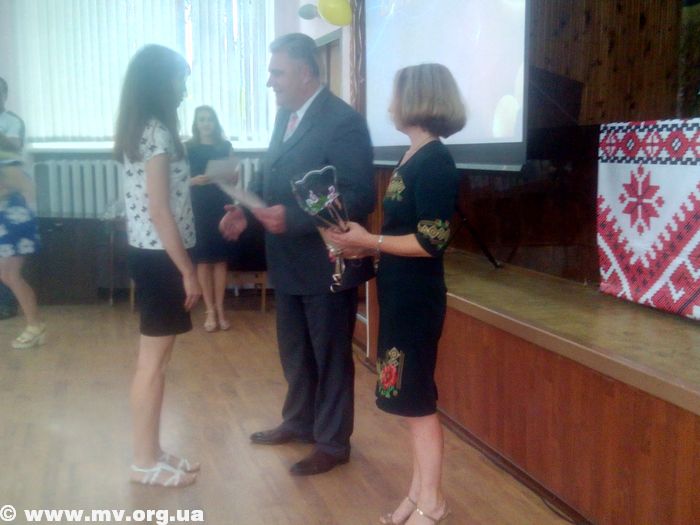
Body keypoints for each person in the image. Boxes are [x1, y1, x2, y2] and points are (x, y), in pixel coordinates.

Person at [220, 33, 375, 476]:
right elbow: (274, 178)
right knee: (294, 350)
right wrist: (246, 211)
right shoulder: (285, 115)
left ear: (305, 73)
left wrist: (294, 218)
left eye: (277, 72)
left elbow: (359, 195)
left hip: (325, 262)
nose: (270, 81)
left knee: (329, 355)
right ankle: (300, 421)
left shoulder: (343, 122)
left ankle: (332, 442)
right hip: (286, 260)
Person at [327, 63, 466, 525]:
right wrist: (361, 244)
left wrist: (369, 240)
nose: (388, 104)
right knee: (406, 402)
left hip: (417, 299)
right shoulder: (413, 155)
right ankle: (417, 493)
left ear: (417, 99)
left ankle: (433, 502)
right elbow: (403, 232)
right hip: (400, 293)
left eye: (395, 94)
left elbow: (431, 241)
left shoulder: (436, 161)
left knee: (417, 402)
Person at [114, 44, 202, 488]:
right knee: (152, 364)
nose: (183, 88)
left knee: (158, 363)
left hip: (150, 253)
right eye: (179, 79)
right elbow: (159, 208)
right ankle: (143, 462)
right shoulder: (158, 133)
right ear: (159, 82)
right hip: (160, 256)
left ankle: (152, 451)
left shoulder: (142, 129)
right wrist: (187, 270)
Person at [186, 106, 235, 332]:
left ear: (215, 122)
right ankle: (209, 311)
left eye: (209, 119)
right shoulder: (188, 148)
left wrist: (228, 176)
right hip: (199, 206)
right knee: (204, 261)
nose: (206, 123)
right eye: (201, 119)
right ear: (196, 124)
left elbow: (233, 178)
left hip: (221, 204)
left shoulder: (225, 146)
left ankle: (221, 309)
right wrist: (194, 180)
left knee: (220, 260)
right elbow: (177, 179)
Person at [0, 150, 43, 348]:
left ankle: (35, 326)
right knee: (7, 275)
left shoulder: (7, 162)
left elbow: (28, 189)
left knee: (11, 275)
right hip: (7, 223)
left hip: (14, 224)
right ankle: (35, 326)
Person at [0, 77, 25, 320]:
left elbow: (13, 148)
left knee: (6, 254)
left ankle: (6, 305)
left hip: (8, 194)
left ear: (5, 95)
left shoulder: (12, 122)